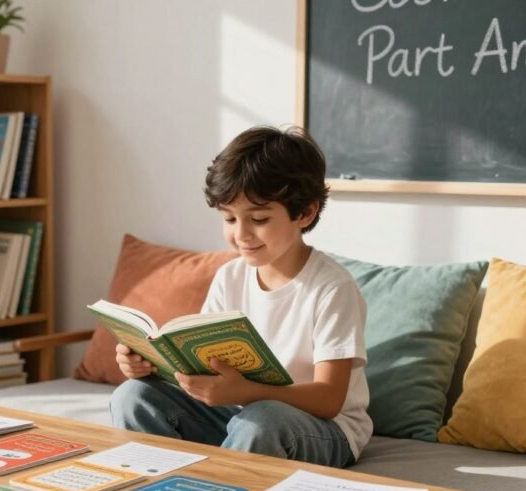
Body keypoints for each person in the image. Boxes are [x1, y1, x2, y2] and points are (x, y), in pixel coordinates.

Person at [108, 126, 372, 468]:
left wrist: (247, 392)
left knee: (265, 420)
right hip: (239, 414)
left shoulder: (332, 288)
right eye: (229, 218)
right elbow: (206, 368)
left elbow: (329, 399)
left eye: (259, 219)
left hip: (322, 428)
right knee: (134, 396)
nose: (241, 234)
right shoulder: (230, 277)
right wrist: (145, 365)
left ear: (305, 212)